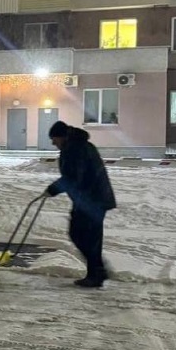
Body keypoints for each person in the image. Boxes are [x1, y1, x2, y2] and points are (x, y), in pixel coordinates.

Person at [44, 120, 117, 288]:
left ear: (63, 137)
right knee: (91, 238)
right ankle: (96, 273)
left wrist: (52, 189)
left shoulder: (75, 149)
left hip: (91, 200)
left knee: (79, 234)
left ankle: (97, 272)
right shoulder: (81, 145)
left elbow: (72, 178)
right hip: (95, 198)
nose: (53, 143)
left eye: (54, 138)